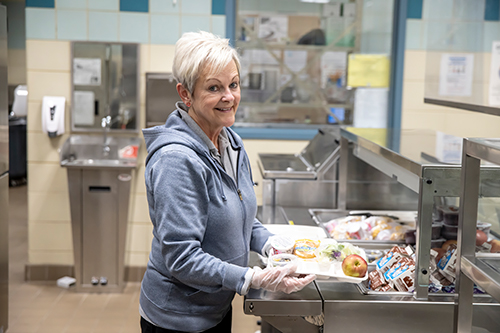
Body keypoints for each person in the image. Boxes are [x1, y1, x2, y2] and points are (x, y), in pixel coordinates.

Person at [139, 31, 316, 333]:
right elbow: (181, 257)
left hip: (216, 307)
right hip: (178, 319)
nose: (229, 96)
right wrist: (250, 278)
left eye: (233, 84)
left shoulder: (229, 142)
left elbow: (242, 216)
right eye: (213, 88)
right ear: (185, 94)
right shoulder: (176, 161)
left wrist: (271, 244)